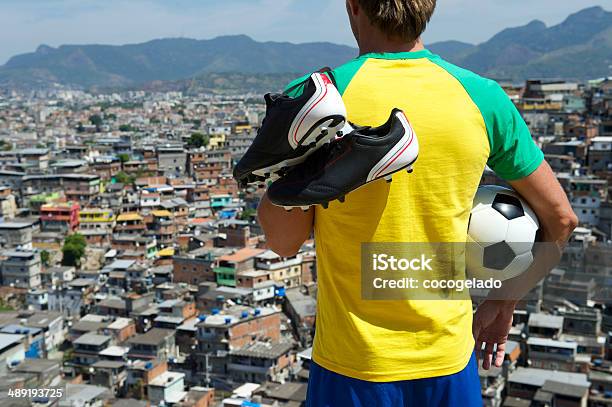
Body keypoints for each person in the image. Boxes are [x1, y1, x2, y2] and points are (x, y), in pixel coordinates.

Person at [257, 0, 578, 405]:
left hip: (352, 364)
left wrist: (285, 182)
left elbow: (284, 243)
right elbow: (562, 219)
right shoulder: (482, 97)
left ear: (353, 5)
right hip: (447, 364)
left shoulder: (316, 100)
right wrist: (504, 298)